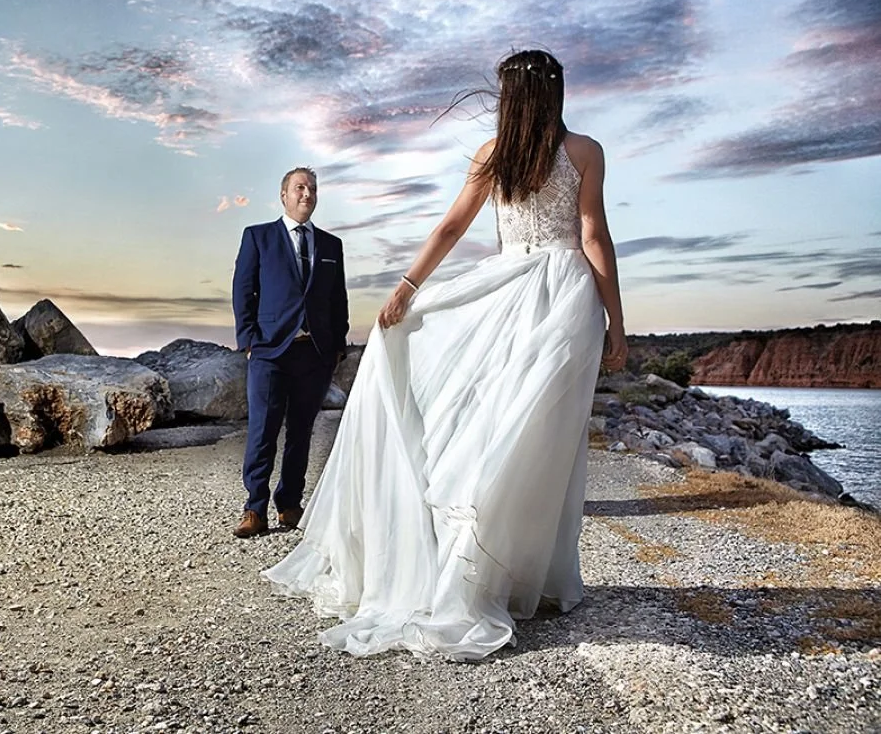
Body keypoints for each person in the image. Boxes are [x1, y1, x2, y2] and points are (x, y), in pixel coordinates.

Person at [262, 49, 628, 661]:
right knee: (540, 437)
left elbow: (451, 229)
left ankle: (485, 567)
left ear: (509, 96)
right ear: (556, 93)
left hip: (508, 288)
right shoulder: (585, 150)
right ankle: (497, 574)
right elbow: (592, 235)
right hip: (564, 295)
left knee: (494, 426)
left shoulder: (494, 154)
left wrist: (409, 287)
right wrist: (617, 318)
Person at [231, 167, 350, 538]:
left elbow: (337, 299)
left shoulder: (331, 246)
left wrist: (336, 346)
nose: (307, 194)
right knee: (262, 431)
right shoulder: (258, 237)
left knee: (301, 432)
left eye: (312, 189)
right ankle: (255, 508)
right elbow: (242, 291)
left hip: (314, 354)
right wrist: (249, 340)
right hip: (269, 351)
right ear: (283, 195)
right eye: (299, 188)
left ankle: (289, 504)